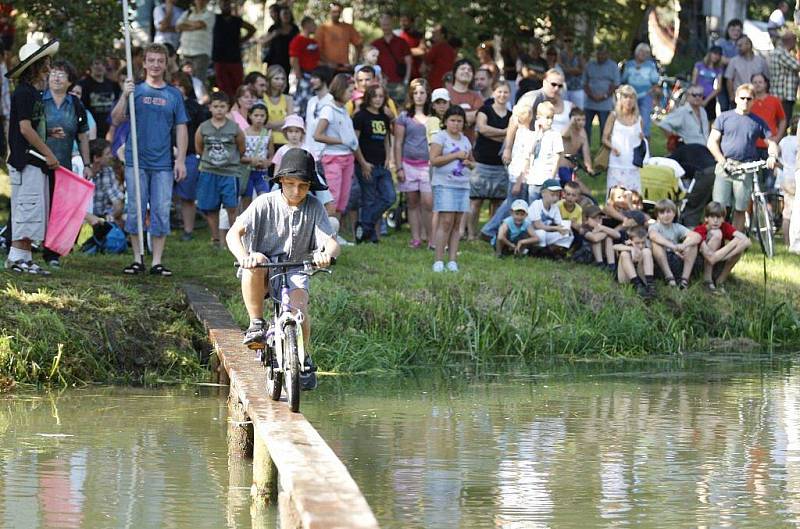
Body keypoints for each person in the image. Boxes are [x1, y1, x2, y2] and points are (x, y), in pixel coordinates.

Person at [228, 148, 340, 391]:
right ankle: (256, 323)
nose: (296, 191)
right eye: (290, 184)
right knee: (256, 259)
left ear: (310, 186)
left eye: (302, 185)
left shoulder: (314, 208)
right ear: (280, 181)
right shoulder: (263, 203)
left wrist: (326, 255)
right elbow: (233, 233)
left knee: (300, 309)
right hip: (264, 269)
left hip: (297, 268)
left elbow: (331, 242)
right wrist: (243, 256)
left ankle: (304, 356)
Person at [111, 43, 188, 276]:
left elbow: (182, 128)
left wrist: (181, 160)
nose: (155, 65)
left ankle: (156, 261)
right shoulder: (135, 91)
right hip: (136, 161)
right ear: (143, 63)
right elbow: (116, 119)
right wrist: (125, 95)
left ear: (165, 65)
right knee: (135, 209)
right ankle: (137, 258)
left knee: (161, 210)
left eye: (160, 61)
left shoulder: (173, 94)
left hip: (163, 163)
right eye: (151, 60)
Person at [5, 40, 60, 275]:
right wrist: (49, 153)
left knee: (33, 209)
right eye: (46, 64)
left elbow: (33, 126)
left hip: (34, 161)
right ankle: (16, 258)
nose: (49, 69)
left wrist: (48, 133)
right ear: (36, 67)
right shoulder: (25, 93)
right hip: (26, 160)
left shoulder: (34, 94)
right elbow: (25, 129)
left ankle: (25, 258)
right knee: (26, 207)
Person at [708, 83, 779, 232]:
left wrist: (772, 156)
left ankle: (737, 240)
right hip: (725, 165)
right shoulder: (724, 117)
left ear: (753, 100)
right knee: (718, 207)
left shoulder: (758, 122)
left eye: (749, 98)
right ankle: (716, 238)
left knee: (741, 208)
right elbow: (712, 142)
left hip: (745, 167)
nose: (745, 101)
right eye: (742, 98)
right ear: (735, 98)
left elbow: (771, 142)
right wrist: (722, 161)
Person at [42, 59, 91, 267]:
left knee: (58, 208)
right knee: (37, 204)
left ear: (70, 81)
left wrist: (87, 164)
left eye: (61, 74)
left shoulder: (76, 104)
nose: (56, 77)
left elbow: (83, 136)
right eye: (53, 73)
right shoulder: (39, 100)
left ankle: (51, 252)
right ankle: (19, 244)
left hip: (63, 165)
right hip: (38, 162)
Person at [195, 91, 244, 249]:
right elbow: (199, 147)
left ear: (228, 108)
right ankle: (215, 239)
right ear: (210, 108)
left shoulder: (234, 128)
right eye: (215, 106)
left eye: (222, 106)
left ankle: (234, 239)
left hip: (229, 173)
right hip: (209, 171)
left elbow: (241, 147)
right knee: (211, 207)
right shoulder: (204, 127)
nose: (219, 110)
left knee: (231, 206)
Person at [480, 104, 535, 240]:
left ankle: (496, 230)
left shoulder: (519, 134)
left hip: (516, 175)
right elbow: (526, 159)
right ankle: (493, 230)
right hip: (520, 176)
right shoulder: (527, 136)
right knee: (513, 205)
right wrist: (519, 180)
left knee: (511, 203)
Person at [430, 105, 474, 272]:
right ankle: (439, 260)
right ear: (446, 121)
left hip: (462, 185)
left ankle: (453, 260)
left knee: (457, 224)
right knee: (446, 221)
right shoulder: (440, 137)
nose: (456, 124)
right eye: (452, 120)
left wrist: (469, 164)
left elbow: (472, 163)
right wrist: (455, 155)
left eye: (459, 121)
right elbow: (434, 160)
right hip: (444, 184)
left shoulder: (465, 140)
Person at [314, 73, 358, 227]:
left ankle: (335, 231)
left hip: (347, 157)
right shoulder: (328, 109)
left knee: (343, 199)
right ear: (340, 89)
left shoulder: (344, 109)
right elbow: (317, 135)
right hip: (333, 158)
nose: (352, 94)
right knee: (333, 196)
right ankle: (326, 232)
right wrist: (341, 141)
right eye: (349, 91)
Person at [352, 84, 395, 243]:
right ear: (368, 97)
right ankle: (371, 236)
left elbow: (386, 140)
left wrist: (388, 158)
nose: (378, 99)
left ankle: (364, 226)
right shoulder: (360, 116)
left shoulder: (384, 117)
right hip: (366, 165)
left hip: (381, 165)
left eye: (381, 96)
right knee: (368, 199)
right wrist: (362, 163)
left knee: (389, 197)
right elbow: (354, 142)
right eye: (375, 96)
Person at [394, 78, 432, 249]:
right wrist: (398, 167)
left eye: (422, 92)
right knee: (412, 202)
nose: (419, 96)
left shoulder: (433, 117)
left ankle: (431, 237)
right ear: (411, 95)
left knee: (428, 202)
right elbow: (398, 143)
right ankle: (416, 237)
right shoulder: (404, 116)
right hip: (408, 164)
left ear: (427, 94)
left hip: (427, 165)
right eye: (415, 93)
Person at [470, 80, 511, 239]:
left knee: (497, 202)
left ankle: (489, 233)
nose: (502, 95)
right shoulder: (484, 109)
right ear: (493, 93)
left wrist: (493, 134)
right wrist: (504, 132)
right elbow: (482, 128)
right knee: (476, 201)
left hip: (501, 165)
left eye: (505, 92)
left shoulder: (511, 115)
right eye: (499, 91)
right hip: (482, 162)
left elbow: (512, 137)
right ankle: (471, 234)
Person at [171, 71, 208, 241]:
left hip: (190, 155)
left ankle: (188, 230)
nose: (178, 89)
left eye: (180, 85)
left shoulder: (194, 107)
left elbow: (201, 132)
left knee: (187, 195)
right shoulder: (165, 104)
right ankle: (164, 228)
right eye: (174, 85)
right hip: (165, 155)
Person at [502, 69, 566, 164]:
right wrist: (507, 149)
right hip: (520, 150)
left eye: (560, 86)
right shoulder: (533, 97)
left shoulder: (555, 99)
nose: (556, 88)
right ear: (544, 82)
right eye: (553, 84)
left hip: (535, 150)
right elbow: (514, 121)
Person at [694, 201, 751, 293]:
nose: (716, 220)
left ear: (723, 219)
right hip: (701, 262)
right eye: (712, 217)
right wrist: (734, 242)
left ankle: (721, 280)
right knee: (717, 234)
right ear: (706, 218)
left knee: (740, 247)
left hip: (719, 260)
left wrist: (726, 256)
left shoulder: (724, 226)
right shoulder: (700, 230)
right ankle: (707, 280)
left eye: (719, 217)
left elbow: (747, 241)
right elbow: (710, 257)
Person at [648, 198, 702, 288]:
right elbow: (653, 236)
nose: (666, 215)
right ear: (657, 215)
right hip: (660, 260)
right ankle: (669, 278)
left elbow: (697, 236)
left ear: (674, 213)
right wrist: (673, 246)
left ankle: (684, 280)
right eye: (662, 213)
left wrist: (684, 245)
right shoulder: (655, 226)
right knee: (656, 244)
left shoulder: (677, 227)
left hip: (676, 258)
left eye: (669, 212)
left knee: (693, 244)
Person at [603, 84, 644, 193]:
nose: (628, 100)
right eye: (625, 97)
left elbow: (641, 140)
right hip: (616, 162)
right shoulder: (614, 116)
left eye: (631, 97)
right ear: (620, 99)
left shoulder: (638, 119)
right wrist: (612, 147)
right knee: (615, 194)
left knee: (633, 195)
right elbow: (604, 138)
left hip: (632, 163)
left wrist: (641, 138)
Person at [212, 0, 255, 99]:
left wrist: (242, 40)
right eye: (223, 4)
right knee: (223, 87)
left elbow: (252, 29)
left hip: (234, 58)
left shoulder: (237, 20)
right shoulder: (215, 19)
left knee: (237, 86)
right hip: (219, 58)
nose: (225, 6)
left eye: (227, 4)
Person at [750, 73, 786, 191]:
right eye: (755, 82)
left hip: (770, 146)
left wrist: (778, 137)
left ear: (766, 84)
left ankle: (769, 207)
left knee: (770, 180)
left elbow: (782, 120)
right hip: (752, 146)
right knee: (751, 180)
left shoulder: (774, 100)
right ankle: (750, 209)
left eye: (760, 82)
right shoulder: (748, 101)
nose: (757, 85)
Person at [621, 43, 660, 138]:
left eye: (646, 52)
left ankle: (645, 148)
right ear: (636, 52)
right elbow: (623, 79)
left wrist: (652, 92)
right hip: (630, 96)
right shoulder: (629, 64)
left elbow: (655, 80)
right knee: (629, 119)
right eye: (641, 52)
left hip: (645, 95)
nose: (644, 54)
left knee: (645, 121)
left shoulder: (651, 65)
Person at [583, 45, 619, 145]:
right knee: (585, 127)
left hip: (605, 103)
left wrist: (604, 96)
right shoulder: (589, 65)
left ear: (607, 54)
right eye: (598, 53)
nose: (600, 56)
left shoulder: (613, 66)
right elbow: (584, 83)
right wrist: (591, 95)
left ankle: (603, 152)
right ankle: (584, 151)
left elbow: (616, 84)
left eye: (603, 53)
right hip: (589, 102)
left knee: (605, 128)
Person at [372, 14, 411, 104]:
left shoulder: (402, 42)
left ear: (392, 24)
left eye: (387, 24)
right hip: (382, 83)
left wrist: (406, 80)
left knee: (400, 106)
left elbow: (409, 62)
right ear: (380, 26)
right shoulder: (375, 44)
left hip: (399, 83)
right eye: (383, 25)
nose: (385, 27)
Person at [529, 179, 574, 256]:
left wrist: (566, 229)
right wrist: (556, 228)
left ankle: (552, 251)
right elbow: (538, 226)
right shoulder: (536, 204)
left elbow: (559, 223)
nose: (555, 198)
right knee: (541, 233)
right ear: (543, 193)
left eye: (557, 195)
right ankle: (536, 251)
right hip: (532, 234)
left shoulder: (555, 207)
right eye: (552, 195)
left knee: (568, 235)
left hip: (545, 233)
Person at [78, 57, 121, 139]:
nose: (100, 67)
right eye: (97, 63)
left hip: (110, 130)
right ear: (90, 66)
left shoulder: (113, 85)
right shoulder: (83, 85)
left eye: (103, 64)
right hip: (91, 129)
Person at [240, 102, 273, 207]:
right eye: (256, 115)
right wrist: (251, 160)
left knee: (264, 199)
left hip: (262, 172)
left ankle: (261, 222)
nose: (259, 118)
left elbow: (271, 155)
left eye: (262, 116)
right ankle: (246, 222)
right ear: (250, 116)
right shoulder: (243, 133)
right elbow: (239, 156)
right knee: (246, 199)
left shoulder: (268, 134)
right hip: (247, 172)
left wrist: (267, 163)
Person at [316, 1, 362, 71]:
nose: (336, 14)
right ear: (329, 12)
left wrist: (355, 62)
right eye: (334, 11)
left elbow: (359, 44)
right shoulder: (322, 29)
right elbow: (317, 50)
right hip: (327, 68)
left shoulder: (347, 28)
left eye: (338, 12)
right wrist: (327, 63)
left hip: (344, 67)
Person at [176, 0, 215, 82]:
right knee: (184, 81)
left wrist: (186, 23)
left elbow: (200, 24)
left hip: (201, 53)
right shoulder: (187, 13)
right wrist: (194, 27)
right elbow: (178, 27)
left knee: (198, 81)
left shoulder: (210, 14)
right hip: (185, 51)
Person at [87, 138, 124, 224]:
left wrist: (110, 217)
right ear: (96, 158)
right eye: (107, 154)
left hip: (102, 220)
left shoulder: (108, 170)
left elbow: (117, 201)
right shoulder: (79, 169)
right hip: (83, 220)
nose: (111, 156)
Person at [724, 36, 769, 106]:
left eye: (740, 45)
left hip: (757, 98)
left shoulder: (761, 61)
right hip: (740, 99)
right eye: (738, 46)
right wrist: (731, 96)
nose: (738, 48)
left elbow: (766, 79)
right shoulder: (734, 61)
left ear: (748, 45)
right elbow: (729, 79)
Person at [289, 16, 320, 116]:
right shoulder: (298, 40)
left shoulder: (313, 42)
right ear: (306, 25)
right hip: (304, 75)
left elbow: (317, 59)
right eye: (313, 24)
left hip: (315, 75)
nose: (315, 26)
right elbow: (294, 59)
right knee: (302, 104)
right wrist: (299, 76)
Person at [613, 225, 656, 298]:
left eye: (643, 242)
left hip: (642, 277)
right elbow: (613, 247)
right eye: (637, 243)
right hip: (627, 280)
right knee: (624, 254)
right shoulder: (626, 245)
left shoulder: (646, 247)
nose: (640, 246)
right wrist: (631, 248)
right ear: (630, 240)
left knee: (647, 251)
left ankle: (650, 285)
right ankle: (637, 286)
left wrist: (639, 253)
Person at [558, 107, 594, 193]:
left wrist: (589, 168)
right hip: (561, 168)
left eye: (583, 120)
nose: (581, 122)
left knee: (583, 193)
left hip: (572, 169)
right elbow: (562, 135)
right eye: (578, 120)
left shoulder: (583, 132)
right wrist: (571, 122)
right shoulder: (568, 129)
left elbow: (586, 153)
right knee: (581, 190)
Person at [768, 31, 800, 122]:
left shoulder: (779, 52)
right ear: (791, 41)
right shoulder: (781, 52)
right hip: (783, 97)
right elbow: (797, 65)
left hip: (780, 96)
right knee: (783, 123)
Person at [261, 4, 298, 82]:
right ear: (280, 15)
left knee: (284, 81)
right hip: (274, 60)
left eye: (288, 13)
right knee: (272, 79)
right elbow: (263, 43)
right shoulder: (274, 27)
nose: (286, 16)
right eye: (284, 13)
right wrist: (273, 35)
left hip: (288, 60)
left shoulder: (295, 28)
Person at [579, 204, 620, 269]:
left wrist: (603, 228)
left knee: (609, 238)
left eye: (600, 218)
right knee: (598, 240)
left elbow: (618, 235)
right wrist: (608, 232)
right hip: (588, 254)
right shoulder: (584, 228)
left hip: (603, 253)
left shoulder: (601, 227)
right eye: (594, 218)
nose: (598, 220)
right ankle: (600, 264)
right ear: (586, 220)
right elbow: (595, 238)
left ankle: (611, 265)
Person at [715, 18, 743, 111]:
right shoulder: (721, 42)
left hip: (738, 79)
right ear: (728, 30)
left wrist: (729, 61)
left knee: (736, 105)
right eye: (733, 30)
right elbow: (721, 59)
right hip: (723, 78)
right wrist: (736, 61)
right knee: (724, 106)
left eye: (738, 30)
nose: (735, 33)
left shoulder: (743, 43)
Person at [264, 65, 293, 151]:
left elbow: (290, 121)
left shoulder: (288, 99)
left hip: (285, 142)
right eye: (276, 79)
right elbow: (263, 123)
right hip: (267, 141)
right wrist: (282, 123)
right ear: (269, 79)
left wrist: (271, 125)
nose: (280, 82)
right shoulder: (262, 98)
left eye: (282, 79)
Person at [778, 117, 797, 245]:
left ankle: (786, 242)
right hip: (796, 177)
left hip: (786, 177)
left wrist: (784, 167)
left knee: (788, 211)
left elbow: (776, 156)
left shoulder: (784, 141)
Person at [692, 46, 724, 122]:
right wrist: (697, 97)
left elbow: (718, 87)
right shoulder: (699, 65)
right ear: (710, 54)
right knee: (694, 118)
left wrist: (706, 100)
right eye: (715, 53)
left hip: (710, 97)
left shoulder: (718, 69)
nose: (716, 56)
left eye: (719, 55)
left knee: (708, 120)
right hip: (697, 95)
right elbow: (694, 82)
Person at [423, 25, 456, 90]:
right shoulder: (451, 50)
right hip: (447, 84)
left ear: (442, 35)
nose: (433, 35)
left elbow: (424, 65)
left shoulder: (436, 47)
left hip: (434, 84)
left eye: (435, 33)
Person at [559, 34, 585, 109]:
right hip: (564, 88)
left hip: (578, 88)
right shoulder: (560, 54)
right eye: (565, 41)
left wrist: (567, 69)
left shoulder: (579, 54)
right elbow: (561, 68)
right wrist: (575, 70)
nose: (568, 43)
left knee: (579, 111)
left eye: (570, 40)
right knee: (564, 111)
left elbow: (583, 70)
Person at [397, 15, 425, 80]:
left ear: (411, 22)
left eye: (405, 21)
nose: (403, 23)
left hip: (415, 72)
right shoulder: (397, 35)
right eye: (401, 21)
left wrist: (404, 52)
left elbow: (422, 51)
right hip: (401, 72)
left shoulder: (418, 35)